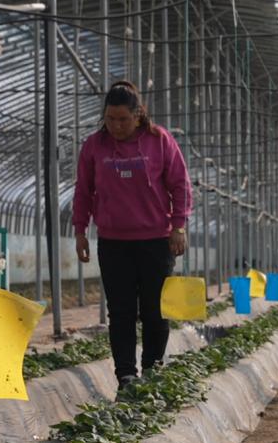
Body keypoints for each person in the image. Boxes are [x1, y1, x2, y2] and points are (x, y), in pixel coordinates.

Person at [72, 80, 192, 388]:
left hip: (155, 241)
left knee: (155, 310)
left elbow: (180, 185)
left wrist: (178, 226)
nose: (116, 125)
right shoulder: (94, 146)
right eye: (110, 119)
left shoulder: (159, 141)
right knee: (121, 312)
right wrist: (80, 231)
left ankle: (152, 369)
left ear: (138, 115)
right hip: (113, 243)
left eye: (123, 119)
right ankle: (125, 375)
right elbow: (83, 191)